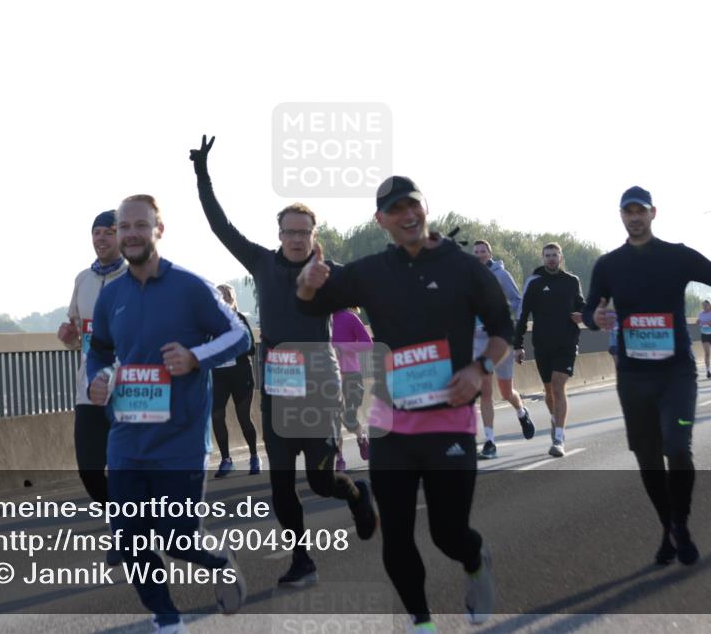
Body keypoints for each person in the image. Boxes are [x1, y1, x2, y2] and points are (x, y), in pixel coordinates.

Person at [297, 176, 509, 630]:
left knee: (449, 534)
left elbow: (503, 329)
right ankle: (421, 621)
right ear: (381, 221)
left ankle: (474, 561)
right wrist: (307, 284)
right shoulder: (373, 271)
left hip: (449, 420)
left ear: (425, 207)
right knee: (396, 536)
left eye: (413, 205)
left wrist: (479, 370)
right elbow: (313, 305)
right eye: (396, 210)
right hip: (391, 424)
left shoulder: (463, 267)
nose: (407, 216)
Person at [190, 135, 378, 588]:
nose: (296, 238)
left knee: (319, 481)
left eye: (303, 232)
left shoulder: (328, 272)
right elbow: (220, 226)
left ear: (315, 236)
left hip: (318, 382)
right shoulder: (260, 263)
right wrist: (202, 173)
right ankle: (302, 560)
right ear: (280, 235)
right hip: (276, 386)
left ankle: (355, 492)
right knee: (280, 486)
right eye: (289, 231)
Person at [86, 194, 250, 633]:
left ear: (159, 230)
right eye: (124, 227)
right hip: (126, 439)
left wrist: (196, 357)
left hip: (179, 439)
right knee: (130, 538)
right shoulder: (112, 296)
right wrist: (97, 379)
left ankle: (220, 562)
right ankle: (167, 618)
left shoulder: (191, 286)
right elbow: (99, 350)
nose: (131, 234)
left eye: (141, 225)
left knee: (177, 538)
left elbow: (240, 337)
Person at [585, 186, 711, 567]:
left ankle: (681, 524)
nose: (635, 217)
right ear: (621, 216)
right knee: (648, 457)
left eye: (641, 211)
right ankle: (668, 527)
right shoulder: (608, 265)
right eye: (629, 212)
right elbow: (592, 309)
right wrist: (597, 317)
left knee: (677, 447)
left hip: (677, 374)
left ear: (653, 213)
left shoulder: (677, 256)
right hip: (634, 376)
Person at [56, 210, 128, 566]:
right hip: (89, 386)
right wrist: (68, 336)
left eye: (108, 232)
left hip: (130, 387)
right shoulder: (83, 279)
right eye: (96, 233)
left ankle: (126, 531)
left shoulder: (136, 276)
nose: (101, 239)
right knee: (89, 468)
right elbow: (77, 330)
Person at [514, 243, 585, 457]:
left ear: (561, 257)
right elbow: (523, 315)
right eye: (547, 256)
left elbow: (582, 306)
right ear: (543, 258)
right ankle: (556, 421)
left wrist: (584, 315)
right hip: (543, 344)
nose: (551, 259)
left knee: (557, 386)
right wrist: (518, 345)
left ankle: (559, 438)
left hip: (566, 342)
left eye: (555, 255)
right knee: (548, 391)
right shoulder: (534, 283)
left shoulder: (572, 281)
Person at [471, 240, 535, 459]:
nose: (480, 255)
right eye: (476, 252)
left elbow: (518, 302)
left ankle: (521, 411)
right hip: (478, 341)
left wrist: (513, 329)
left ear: (490, 254)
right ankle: (490, 442)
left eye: (483, 251)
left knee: (506, 391)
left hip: (500, 340)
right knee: (486, 390)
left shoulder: (501, 275)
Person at [211, 284, 260, 478]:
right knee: (216, 415)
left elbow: (252, 349)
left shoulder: (239, 319)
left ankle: (255, 456)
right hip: (219, 375)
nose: (221, 300)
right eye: (218, 296)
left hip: (240, 374)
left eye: (225, 296)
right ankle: (226, 459)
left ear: (232, 300)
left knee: (243, 417)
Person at [331, 308, 372, 471]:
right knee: (333, 419)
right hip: (330, 377)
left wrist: (342, 348)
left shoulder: (349, 317)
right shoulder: (320, 320)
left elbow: (367, 344)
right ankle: (339, 458)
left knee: (349, 418)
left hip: (351, 375)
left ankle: (361, 438)